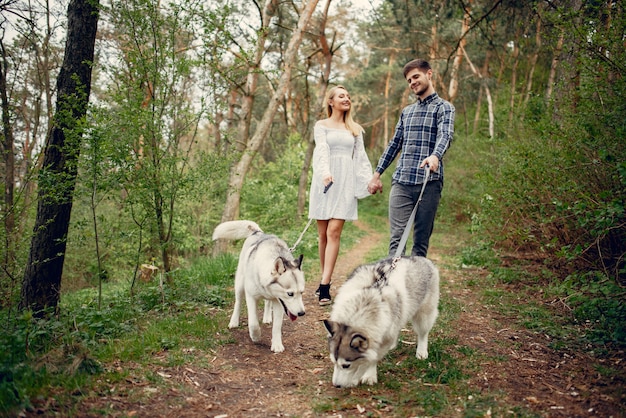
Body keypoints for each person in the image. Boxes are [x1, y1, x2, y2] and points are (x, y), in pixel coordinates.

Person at [368, 59, 455, 257]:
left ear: (429, 74)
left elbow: (446, 135)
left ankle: (416, 286)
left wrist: (435, 156)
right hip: (402, 183)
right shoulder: (407, 112)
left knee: (420, 242)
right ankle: (393, 284)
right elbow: (394, 144)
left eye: (416, 77)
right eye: (409, 80)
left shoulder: (444, 108)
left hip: (429, 183)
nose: (412, 82)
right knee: (397, 240)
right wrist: (377, 174)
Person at [309, 85, 372, 306]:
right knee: (323, 234)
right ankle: (323, 277)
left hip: (345, 182)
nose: (346, 99)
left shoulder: (354, 129)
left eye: (348, 96)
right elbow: (321, 151)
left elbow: (361, 158)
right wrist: (325, 173)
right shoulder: (321, 126)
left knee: (334, 231)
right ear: (331, 101)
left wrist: (369, 181)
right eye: (341, 96)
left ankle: (325, 286)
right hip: (325, 182)